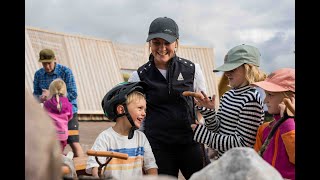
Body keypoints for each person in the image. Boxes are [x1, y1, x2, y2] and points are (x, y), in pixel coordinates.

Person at [128, 17, 210, 179]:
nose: (162, 48)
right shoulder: (138, 76)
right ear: (150, 44)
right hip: (158, 147)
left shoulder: (193, 69)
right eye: (156, 43)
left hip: (190, 143)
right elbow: (137, 117)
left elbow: (202, 104)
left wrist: (198, 120)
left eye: (167, 42)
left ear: (176, 43)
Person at [185, 44, 266, 158]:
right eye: (226, 69)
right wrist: (209, 113)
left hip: (241, 165)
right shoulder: (228, 95)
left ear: (248, 69)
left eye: (232, 69)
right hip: (225, 161)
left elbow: (242, 144)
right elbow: (217, 129)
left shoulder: (251, 99)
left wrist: (203, 134)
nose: (227, 73)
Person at [86, 81, 158, 179]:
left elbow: (151, 166)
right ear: (121, 110)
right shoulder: (106, 138)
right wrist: (98, 173)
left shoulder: (141, 138)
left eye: (145, 110)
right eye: (140, 108)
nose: (144, 113)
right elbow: (96, 166)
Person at [33, 48, 84, 157]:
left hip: (68, 113)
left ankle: (81, 170)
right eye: (44, 64)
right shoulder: (38, 74)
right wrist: (41, 98)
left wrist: (52, 96)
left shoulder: (66, 72)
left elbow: (73, 93)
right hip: (50, 115)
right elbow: (35, 95)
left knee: (73, 142)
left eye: (49, 63)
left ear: (55, 59)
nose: (47, 66)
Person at [252, 68, 295, 180]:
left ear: (290, 98)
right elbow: (255, 164)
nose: (265, 100)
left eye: (270, 94)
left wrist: (287, 122)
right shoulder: (264, 129)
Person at [43, 78, 73, 152]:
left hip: (50, 136)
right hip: (63, 136)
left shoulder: (47, 104)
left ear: (51, 90)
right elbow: (70, 117)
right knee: (59, 153)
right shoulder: (68, 104)